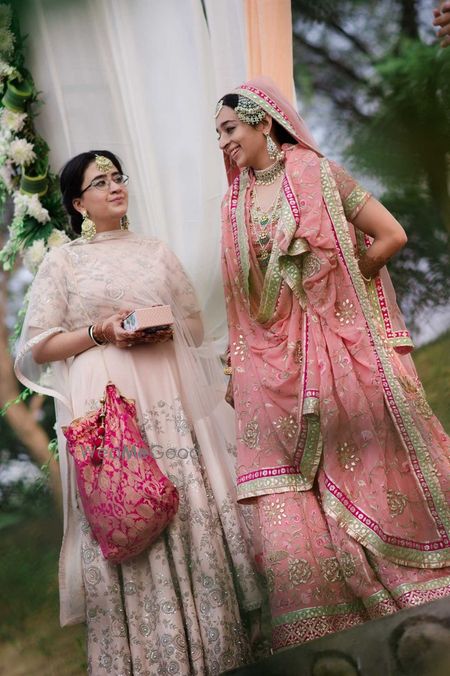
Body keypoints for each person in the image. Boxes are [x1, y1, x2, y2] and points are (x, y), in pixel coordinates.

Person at [215, 77, 450, 653]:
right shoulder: (232, 203)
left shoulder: (317, 175)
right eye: (216, 135)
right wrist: (239, 364)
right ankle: (351, 622)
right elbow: (244, 300)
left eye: (229, 129)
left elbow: (390, 236)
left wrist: (337, 283)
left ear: (263, 123)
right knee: (300, 488)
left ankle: (421, 590)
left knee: (371, 461)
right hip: (277, 370)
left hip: (343, 347)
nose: (222, 143)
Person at [14, 150, 262, 675]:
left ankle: (219, 649)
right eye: (99, 182)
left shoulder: (155, 252)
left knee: (184, 500)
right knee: (133, 507)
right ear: (78, 204)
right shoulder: (64, 262)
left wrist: (159, 326)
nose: (114, 187)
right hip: (110, 410)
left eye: (117, 177)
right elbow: (39, 345)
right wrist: (102, 332)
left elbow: (194, 326)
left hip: (165, 393)